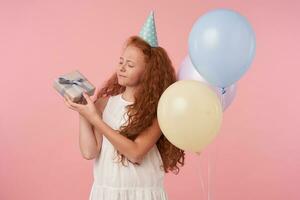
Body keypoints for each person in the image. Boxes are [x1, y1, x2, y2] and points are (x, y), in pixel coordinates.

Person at [63, 11, 185, 200]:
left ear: (148, 72)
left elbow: (136, 153)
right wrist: (83, 112)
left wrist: (95, 119)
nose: (121, 68)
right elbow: (89, 152)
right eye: (121, 61)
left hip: (142, 194)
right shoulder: (104, 104)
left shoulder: (158, 110)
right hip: (106, 193)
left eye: (130, 65)